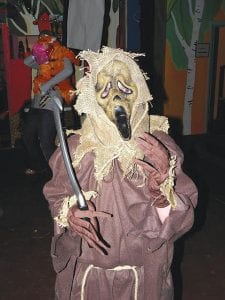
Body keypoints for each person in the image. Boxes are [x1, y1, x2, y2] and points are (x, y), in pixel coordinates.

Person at [43, 47, 198, 300]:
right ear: (92, 98)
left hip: (142, 279)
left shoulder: (160, 148)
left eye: (125, 88)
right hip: (88, 278)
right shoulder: (74, 151)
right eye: (104, 90)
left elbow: (182, 218)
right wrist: (68, 214)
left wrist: (162, 193)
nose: (116, 96)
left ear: (139, 91)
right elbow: (57, 196)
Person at [22, 30, 80, 175]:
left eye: (46, 39)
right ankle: (38, 165)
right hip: (38, 102)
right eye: (42, 39)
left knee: (46, 140)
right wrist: (39, 52)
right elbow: (27, 62)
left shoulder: (62, 54)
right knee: (28, 135)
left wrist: (48, 85)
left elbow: (67, 71)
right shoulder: (43, 60)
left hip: (53, 99)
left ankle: (59, 173)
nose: (43, 40)